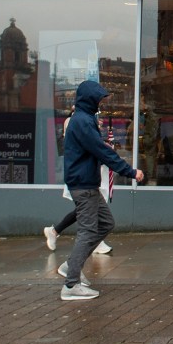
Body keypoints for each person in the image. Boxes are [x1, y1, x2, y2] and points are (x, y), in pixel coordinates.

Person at [60, 80, 144, 301]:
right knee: (87, 231)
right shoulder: (83, 121)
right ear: (90, 99)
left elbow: (94, 147)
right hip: (83, 185)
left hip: (86, 183)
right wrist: (130, 171)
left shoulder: (84, 119)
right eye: (99, 99)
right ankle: (71, 284)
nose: (101, 103)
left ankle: (71, 266)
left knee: (106, 223)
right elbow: (100, 152)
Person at [43, 106, 113, 255]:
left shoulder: (84, 121)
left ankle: (55, 231)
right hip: (82, 176)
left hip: (87, 173)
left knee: (88, 208)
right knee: (88, 208)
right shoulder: (75, 122)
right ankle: (88, 243)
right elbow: (83, 145)